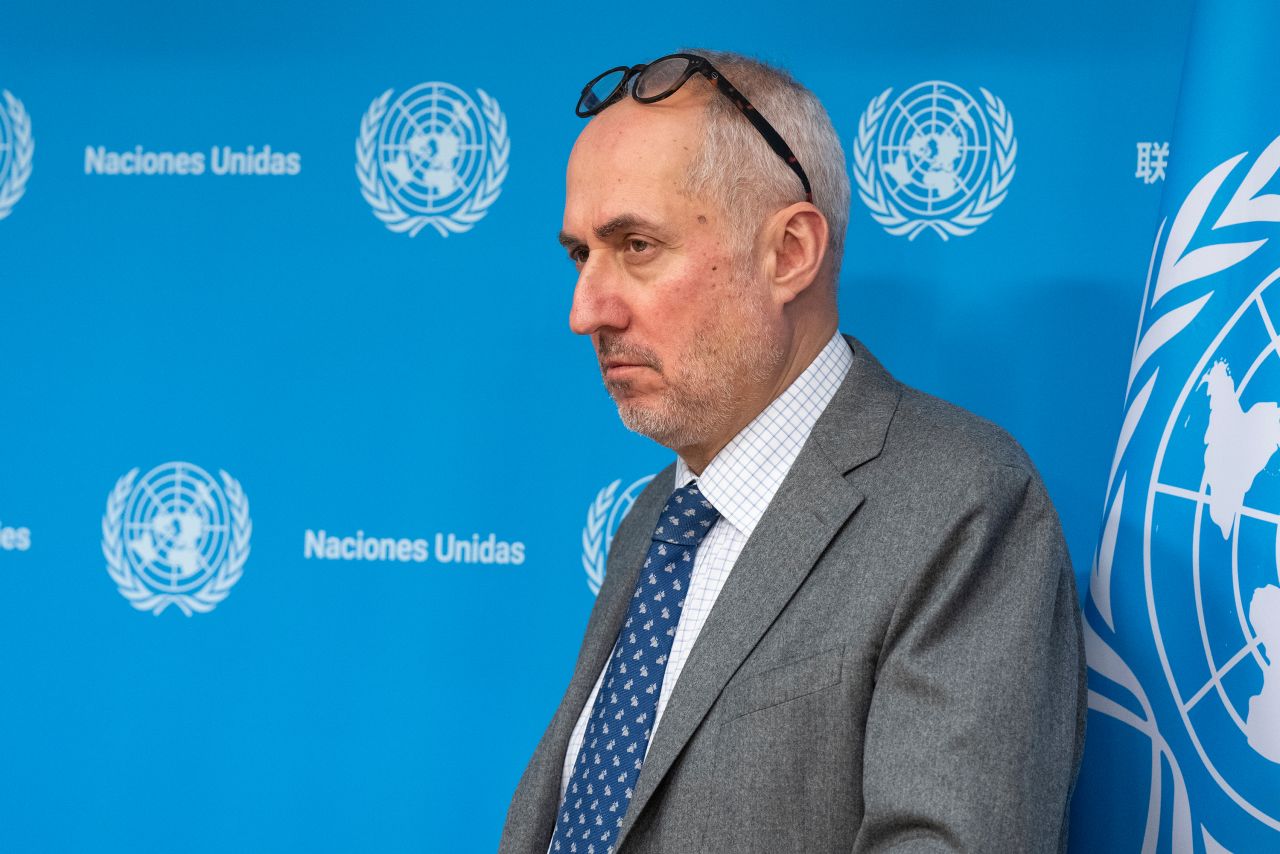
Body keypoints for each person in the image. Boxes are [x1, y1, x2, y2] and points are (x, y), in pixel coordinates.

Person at [499, 49, 1085, 854]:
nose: (586, 310)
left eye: (635, 245)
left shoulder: (965, 503)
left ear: (790, 254)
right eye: (580, 254)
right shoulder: (655, 518)